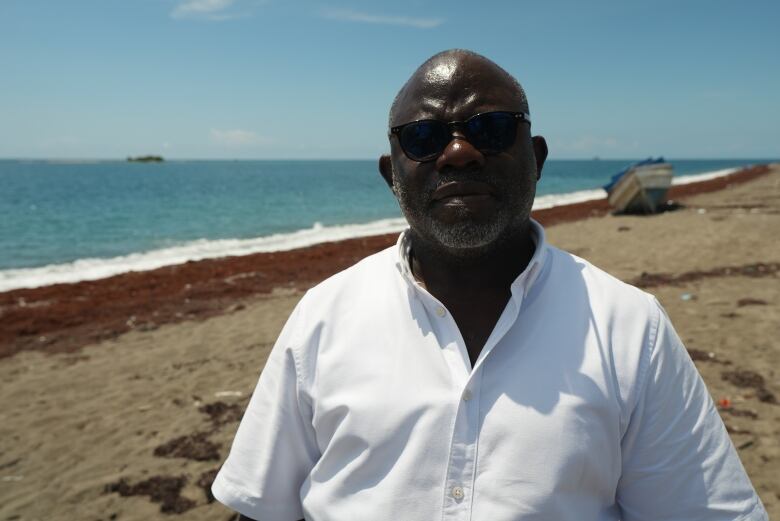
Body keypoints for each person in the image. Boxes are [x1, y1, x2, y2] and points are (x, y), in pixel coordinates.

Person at [212, 49, 767, 521]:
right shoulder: (323, 317)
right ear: (391, 175)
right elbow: (261, 509)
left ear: (538, 157)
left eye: (491, 129)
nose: (459, 153)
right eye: (424, 137)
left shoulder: (628, 326)